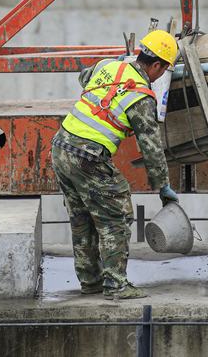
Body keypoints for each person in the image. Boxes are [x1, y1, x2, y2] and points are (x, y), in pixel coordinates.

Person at [52, 29, 181, 301]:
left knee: (81, 216)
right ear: (156, 65)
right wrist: (163, 186)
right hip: (88, 156)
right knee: (117, 214)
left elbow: (83, 77)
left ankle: (90, 281)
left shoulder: (109, 65)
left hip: (61, 147)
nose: (161, 76)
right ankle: (116, 285)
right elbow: (151, 148)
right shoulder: (142, 98)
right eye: (164, 69)